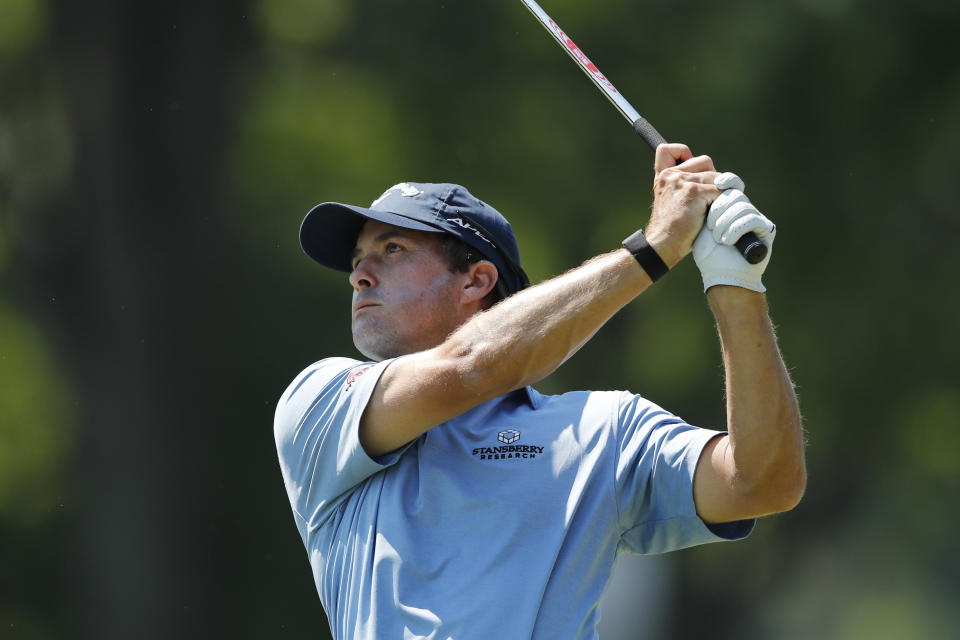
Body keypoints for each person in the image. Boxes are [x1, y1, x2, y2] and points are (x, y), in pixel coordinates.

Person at [274, 144, 806, 639]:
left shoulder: (603, 430)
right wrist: (655, 247)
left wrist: (737, 289)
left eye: (392, 249)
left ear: (476, 282)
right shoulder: (323, 401)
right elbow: (473, 366)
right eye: (357, 259)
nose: (360, 275)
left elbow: (763, 483)